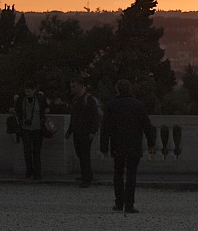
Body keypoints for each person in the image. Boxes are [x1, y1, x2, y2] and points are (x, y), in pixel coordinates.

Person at [99, 78, 157, 214]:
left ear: (117, 90)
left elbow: (105, 128)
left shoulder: (111, 105)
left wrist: (103, 148)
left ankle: (119, 202)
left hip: (117, 144)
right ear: (130, 89)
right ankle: (129, 205)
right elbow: (147, 126)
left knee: (118, 173)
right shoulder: (138, 105)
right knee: (131, 174)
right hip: (134, 144)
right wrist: (151, 143)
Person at [66, 78, 101, 188]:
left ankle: (86, 179)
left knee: (84, 155)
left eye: (74, 87)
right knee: (80, 154)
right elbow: (73, 117)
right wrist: (69, 131)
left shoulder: (89, 99)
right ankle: (86, 175)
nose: (72, 89)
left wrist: (92, 131)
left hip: (85, 132)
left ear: (81, 86)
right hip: (77, 131)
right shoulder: (76, 100)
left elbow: (95, 116)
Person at [13, 80, 48, 180]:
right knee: (27, 152)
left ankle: (37, 172)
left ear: (34, 91)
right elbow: (18, 111)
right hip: (25, 129)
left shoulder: (39, 99)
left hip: (37, 129)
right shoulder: (21, 99)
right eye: (26, 91)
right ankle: (29, 170)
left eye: (29, 91)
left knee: (36, 152)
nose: (27, 93)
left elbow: (45, 108)